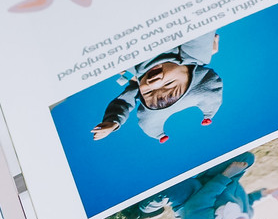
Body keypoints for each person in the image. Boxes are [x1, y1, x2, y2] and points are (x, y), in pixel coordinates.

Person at [90, 33, 223, 141]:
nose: (153, 83)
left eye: (148, 92)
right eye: (168, 84)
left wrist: (113, 122)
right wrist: (202, 50)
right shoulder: (191, 55)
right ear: (188, 70)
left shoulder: (132, 72)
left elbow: (124, 102)